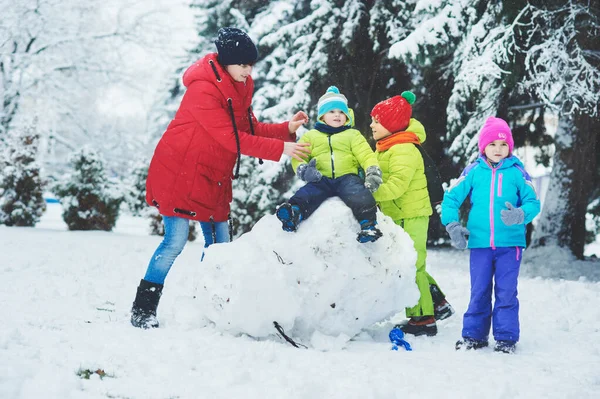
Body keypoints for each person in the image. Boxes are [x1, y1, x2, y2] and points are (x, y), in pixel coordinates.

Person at [130, 27, 311, 329]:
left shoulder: (239, 86)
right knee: (174, 241)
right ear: (227, 62)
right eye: (243, 64)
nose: (248, 70)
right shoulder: (203, 89)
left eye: (251, 64)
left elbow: (248, 128)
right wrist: (282, 149)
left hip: (211, 173)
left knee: (220, 246)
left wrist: (285, 129)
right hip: (180, 172)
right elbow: (230, 137)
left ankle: (208, 306)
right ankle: (142, 309)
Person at [441, 116, 540, 353]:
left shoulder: (518, 173)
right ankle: (474, 336)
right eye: (493, 144)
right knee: (480, 290)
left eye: (503, 144)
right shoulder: (473, 171)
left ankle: (506, 339)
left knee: (506, 292)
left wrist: (520, 214)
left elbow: (533, 202)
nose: (498, 149)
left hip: (511, 245)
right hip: (480, 243)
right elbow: (451, 198)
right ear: (483, 146)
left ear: (510, 147)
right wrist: (453, 226)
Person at [369, 91, 454, 337]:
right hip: (401, 214)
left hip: (411, 214)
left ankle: (423, 319)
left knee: (411, 264)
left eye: (376, 120)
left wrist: (369, 194)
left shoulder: (403, 149)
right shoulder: (388, 146)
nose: (372, 125)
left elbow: (396, 186)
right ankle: (437, 302)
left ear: (392, 124)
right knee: (410, 262)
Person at [275, 86, 384, 243]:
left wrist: (372, 171)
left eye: (341, 112)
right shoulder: (311, 136)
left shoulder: (352, 135)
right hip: (321, 178)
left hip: (347, 177)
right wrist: (304, 170)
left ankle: (368, 225)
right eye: (332, 111)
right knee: (307, 193)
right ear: (322, 116)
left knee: (359, 194)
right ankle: (294, 213)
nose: (337, 115)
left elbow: (366, 155)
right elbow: (298, 155)